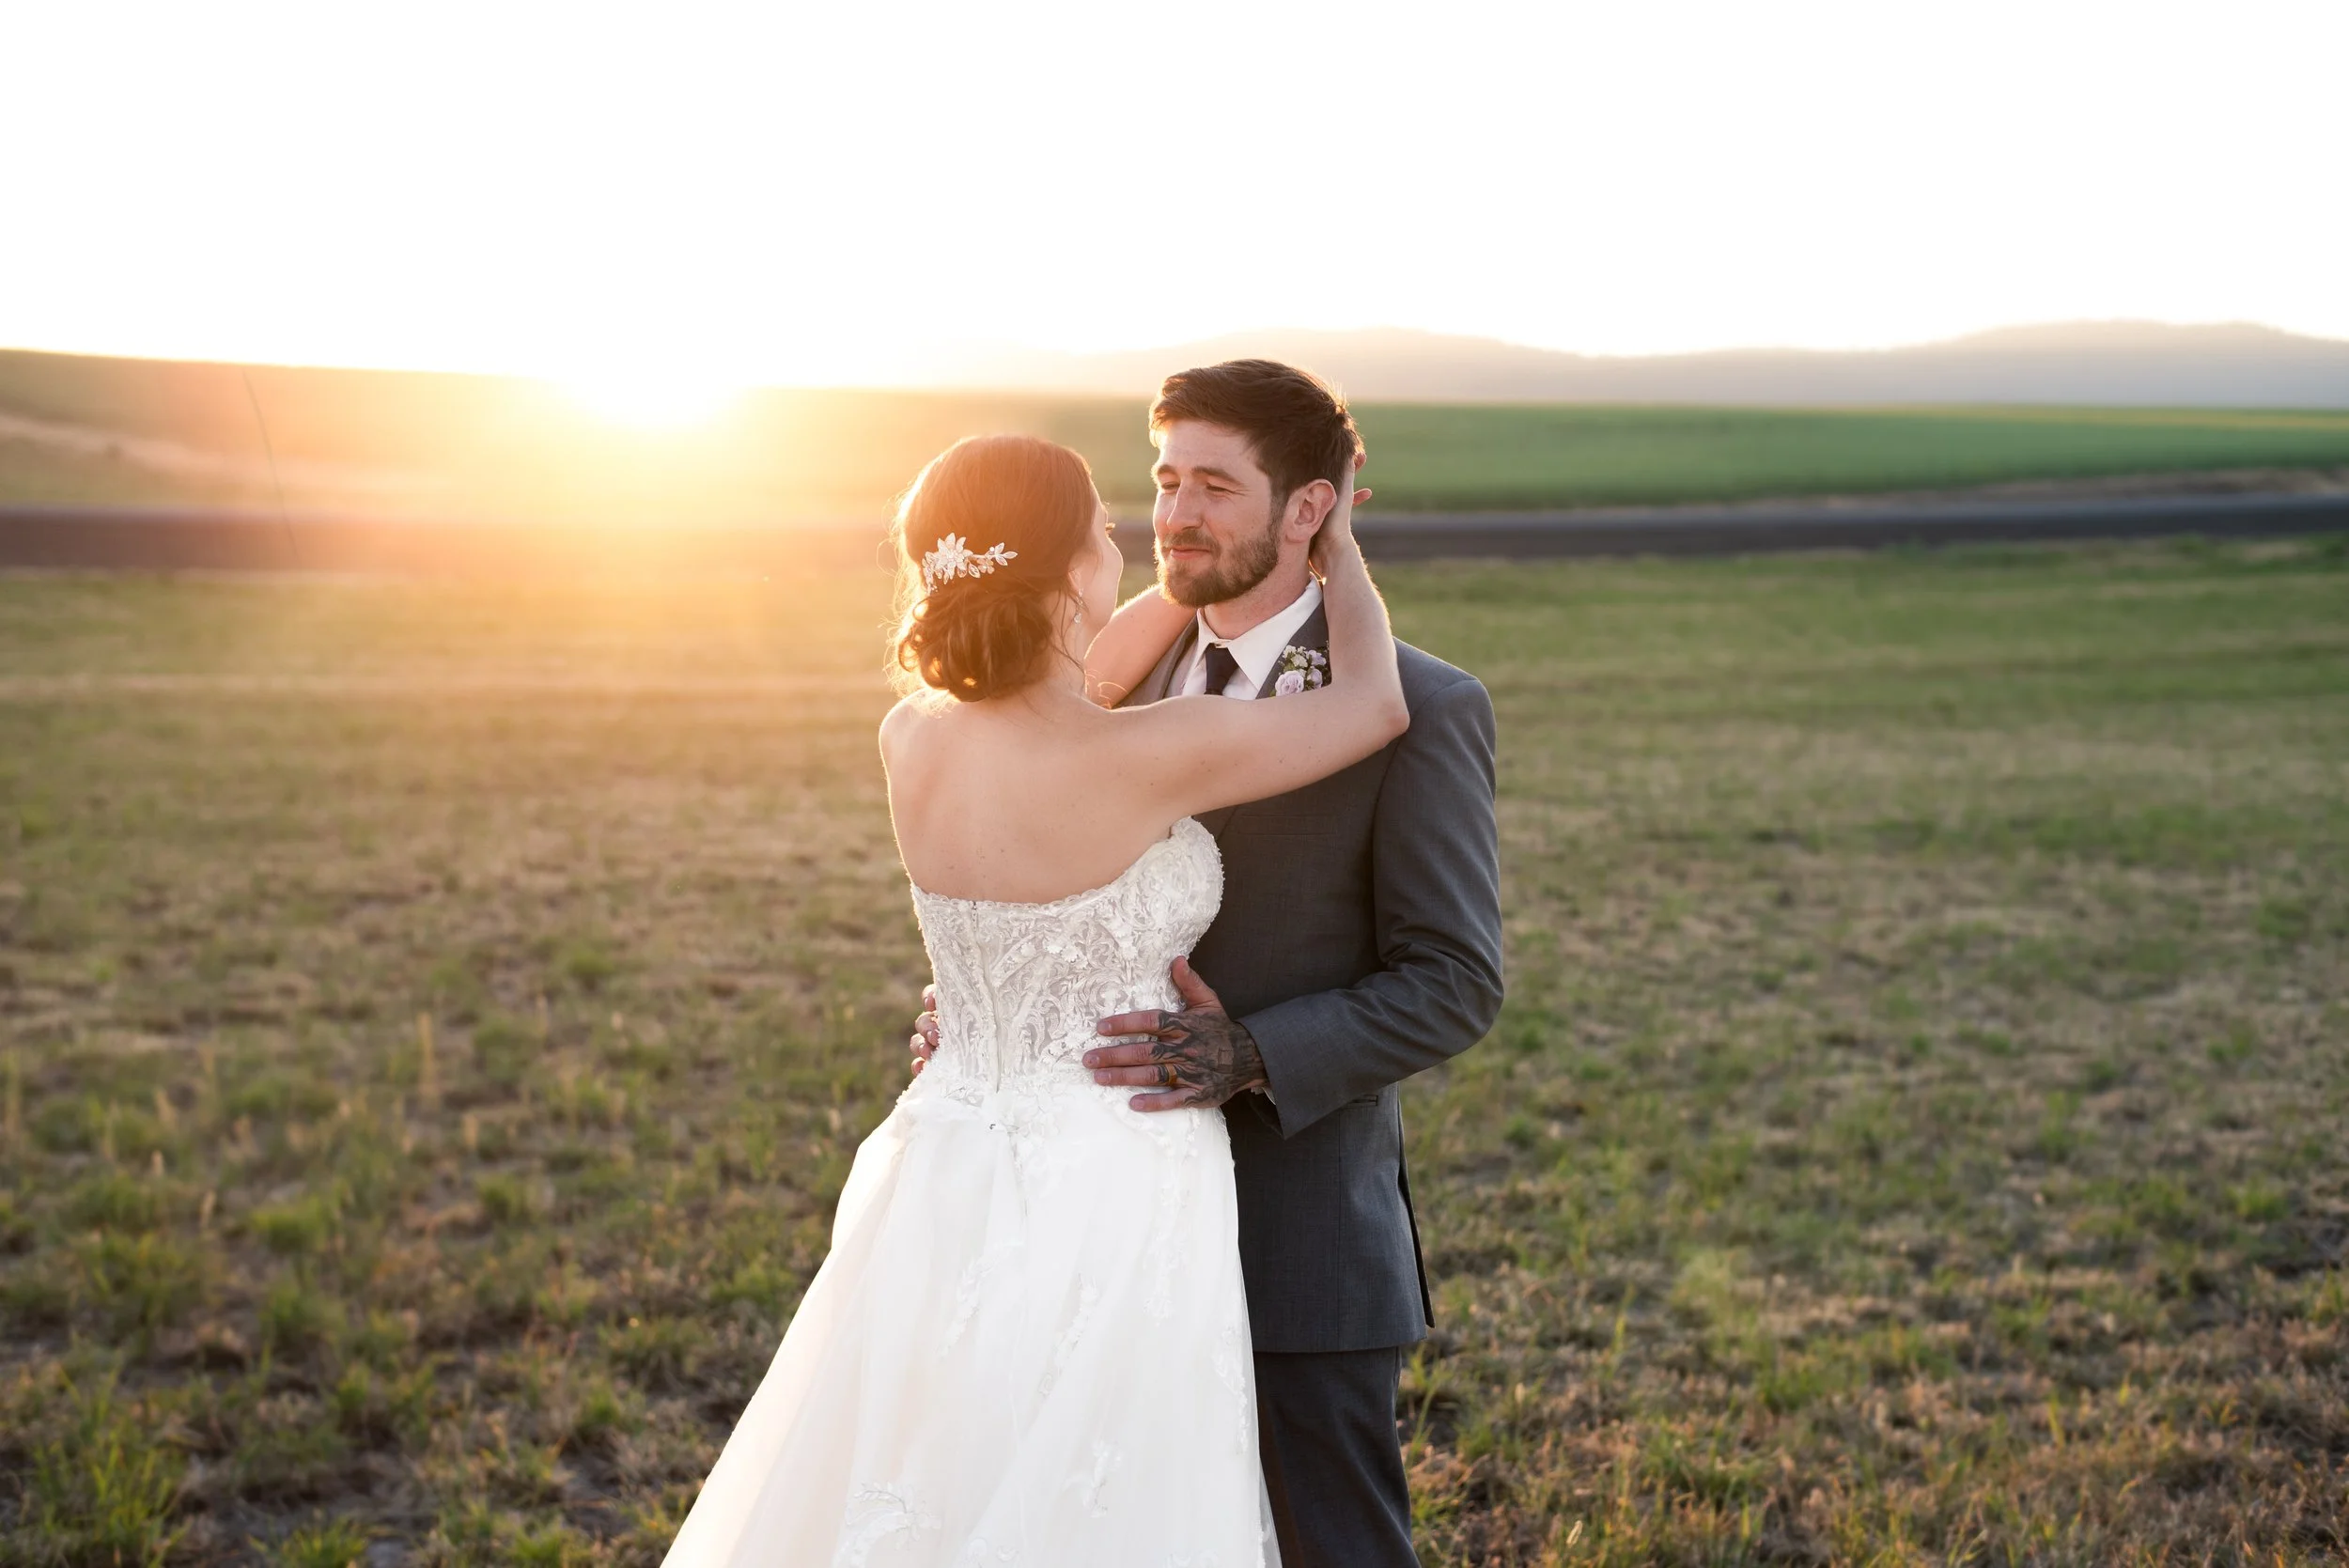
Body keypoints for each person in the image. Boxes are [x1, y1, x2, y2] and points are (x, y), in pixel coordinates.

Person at [661, 423, 1408, 1566]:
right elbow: (1371, 707)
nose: (1132, 547)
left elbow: (1070, 683)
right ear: (1070, 573)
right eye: (1107, 533)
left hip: (950, 1145)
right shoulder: (1153, 749)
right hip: (1115, 1163)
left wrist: (1160, 582)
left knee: (937, 1462)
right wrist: (1336, 539)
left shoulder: (910, 735)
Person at [914, 361, 1505, 1567]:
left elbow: (1454, 979)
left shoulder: (1426, 709)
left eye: (1217, 487)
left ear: (1311, 512)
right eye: (1165, 478)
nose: (1175, 514)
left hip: (1291, 1240)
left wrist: (1247, 1052)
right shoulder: (1097, 679)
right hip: (1073, 1233)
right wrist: (985, 1014)